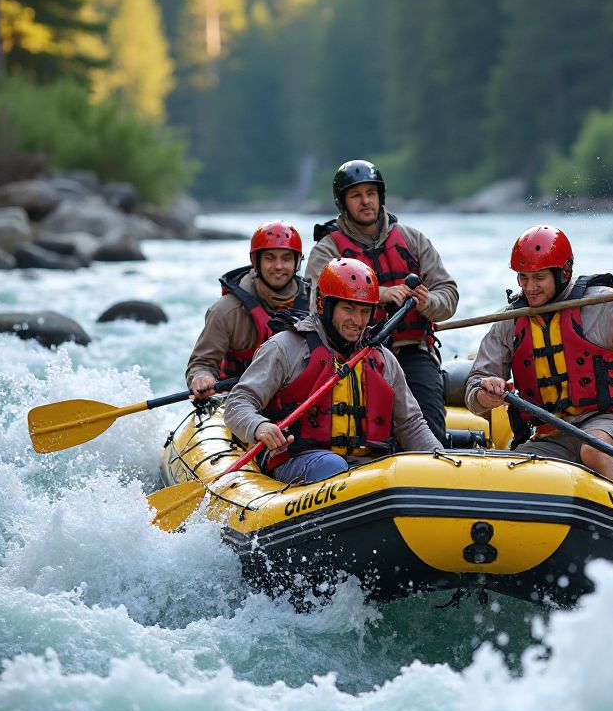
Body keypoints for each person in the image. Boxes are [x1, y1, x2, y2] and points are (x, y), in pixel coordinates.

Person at [464, 225, 613, 491]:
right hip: (553, 433)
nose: (529, 287)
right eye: (523, 278)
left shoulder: (601, 305)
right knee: (508, 477)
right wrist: (486, 393)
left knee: (594, 449)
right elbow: (474, 391)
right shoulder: (509, 321)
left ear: (563, 273)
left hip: (612, 424)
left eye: (539, 278)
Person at [223, 256, 441, 485]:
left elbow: (411, 425)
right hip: (300, 461)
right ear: (324, 305)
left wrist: (439, 460)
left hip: (369, 470)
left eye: (364, 311)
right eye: (348, 309)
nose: (357, 321)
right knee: (332, 466)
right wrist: (260, 426)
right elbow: (238, 403)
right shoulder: (286, 348)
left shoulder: (382, 359)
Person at [305, 159, 458, 444]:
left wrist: (426, 302)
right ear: (343, 202)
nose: (366, 202)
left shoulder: (413, 240)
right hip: (354, 356)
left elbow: (448, 295)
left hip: (411, 352)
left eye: (371, 194)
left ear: (380, 196)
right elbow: (316, 306)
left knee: (429, 422)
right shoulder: (327, 249)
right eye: (356, 195)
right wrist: (380, 294)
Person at [186, 220, 309, 400]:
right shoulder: (226, 310)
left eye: (286, 258)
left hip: (296, 401)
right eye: (270, 258)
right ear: (255, 262)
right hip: (238, 402)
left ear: (297, 262)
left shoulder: (316, 303)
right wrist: (201, 377)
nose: (278, 266)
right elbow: (201, 363)